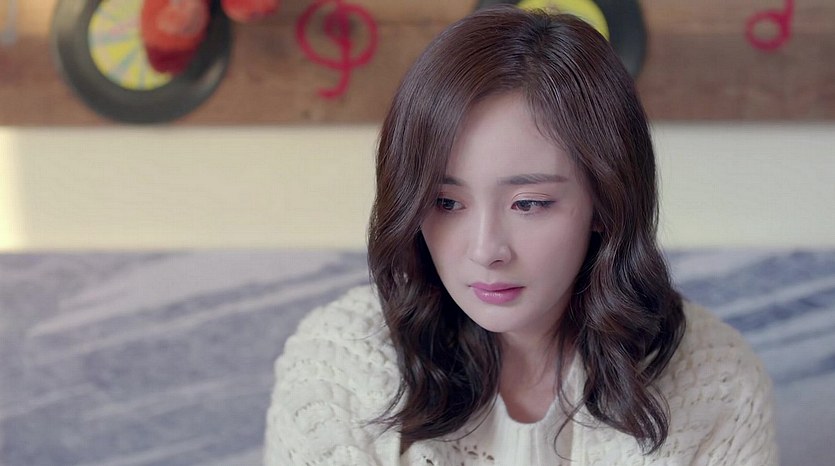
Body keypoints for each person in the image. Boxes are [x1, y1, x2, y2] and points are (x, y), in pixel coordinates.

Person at [264, 6, 778, 465]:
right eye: (446, 203)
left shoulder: (715, 380)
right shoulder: (337, 367)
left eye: (529, 203)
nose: (486, 250)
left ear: (605, 201)